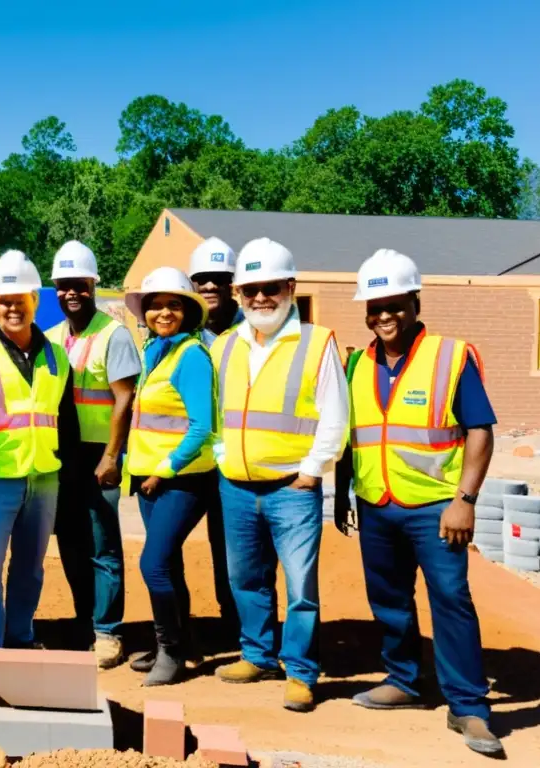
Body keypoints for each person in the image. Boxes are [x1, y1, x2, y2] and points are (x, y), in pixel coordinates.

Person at [335, 249, 502, 756]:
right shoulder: (355, 363)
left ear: (414, 300)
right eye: (374, 306)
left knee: (450, 600)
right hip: (376, 503)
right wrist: (345, 488)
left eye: (393, 304)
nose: (384, 315)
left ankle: (469, 707)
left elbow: (480, 429)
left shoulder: (450, 357)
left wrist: (465, 500)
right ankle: (404, 680)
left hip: (436, 507)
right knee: (388, 598)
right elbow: (350, 433)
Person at [210, 238, 347, 712]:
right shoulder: (225, 346)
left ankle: (302, 672)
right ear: (238, 293)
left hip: (293, 487)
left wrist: (310, 472)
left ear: (290, 287)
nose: (260, 298)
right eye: (250, 290)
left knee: (300, 585)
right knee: (246, 579)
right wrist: (222, 455)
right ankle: (257, 655)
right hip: (237, 485)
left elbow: (335, 415)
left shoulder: (316, 341)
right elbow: (211, 413)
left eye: (270, 287)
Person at [0, 249, 78, 648]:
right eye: (3, 301)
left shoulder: (57, 357)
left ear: (34, 301)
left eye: (19, 300)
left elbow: (67, 421)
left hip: (43, 479)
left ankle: (20, 638)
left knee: (30, 568)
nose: (11, 308)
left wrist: (66, 476)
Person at [45, 240, 140, 668]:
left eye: (78, 285)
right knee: (70, 542)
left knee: (102, 546)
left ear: (92, 285)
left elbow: (124, 399)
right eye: (63, 286)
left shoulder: (113, 334)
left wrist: (111, 457)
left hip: (99, 455)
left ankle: (108, 631)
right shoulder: (50, 337)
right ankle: (86, 620)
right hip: (63, 457)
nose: (71, 293)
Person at [123, 266, 216, 686]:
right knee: (169, 564)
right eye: (155, 304)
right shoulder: (155, 352)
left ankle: (172, 653)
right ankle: (181, 644)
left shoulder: (190, 355)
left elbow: (201, 425)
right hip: (149, 478)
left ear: (188, 312)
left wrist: (165, 468)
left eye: (173, 305)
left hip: (181, 480)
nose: (163, 312)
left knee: (154, 564)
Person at [186, 236, 244, 645]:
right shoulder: (183, 333)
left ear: (232, 285)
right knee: (168, 546)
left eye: (218, 280)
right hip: (190, 461)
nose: (209, 287)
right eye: (202, 280)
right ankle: (177, 633)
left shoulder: (255, 331)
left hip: (238, 461)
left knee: (236, 550)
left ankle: (240, 627)